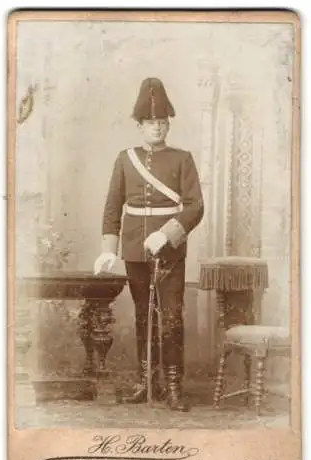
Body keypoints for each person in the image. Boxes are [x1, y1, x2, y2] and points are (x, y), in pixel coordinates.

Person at [94, 77, 204, 411]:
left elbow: (196, 206)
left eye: (162, 122)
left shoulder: (182, 158)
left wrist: (168, 233)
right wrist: (107, 250)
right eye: (151, 123)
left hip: (170, 249)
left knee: (170, 316)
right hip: (133, 249)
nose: (157, 128)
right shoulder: (125, 159)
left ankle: (172, 386)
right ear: (139, 126)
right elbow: (113, 207)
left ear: (167, 124)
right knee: (144, 315)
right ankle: (145, 381)